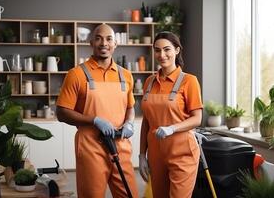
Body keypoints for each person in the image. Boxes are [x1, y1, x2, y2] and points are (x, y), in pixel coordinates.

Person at [56, 24, 138, 198]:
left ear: (115, 44)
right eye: (99, 38)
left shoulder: (126, 75)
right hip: (91, 148)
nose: (104, 43)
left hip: (120, 145)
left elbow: (130, 106)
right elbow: (62, 112)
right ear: (91, 43)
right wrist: (94, 120)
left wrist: (129, 122)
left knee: (129, 194)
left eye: (109, 39)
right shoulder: (76, 74)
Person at [139, 31, 203, 198]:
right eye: (157, 50)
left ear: (177, 50)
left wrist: (172, 128)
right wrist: (141, 155)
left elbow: (197, 118)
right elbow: (146, 121)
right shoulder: (149, 82)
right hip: (156, 154)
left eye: (167, 49)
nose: (162, 55)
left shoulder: (189, 81)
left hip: (182, 153)